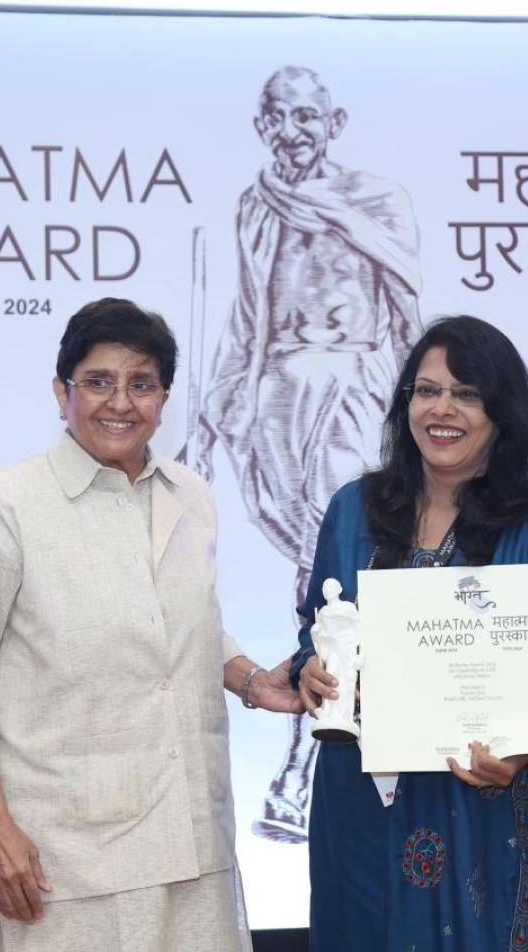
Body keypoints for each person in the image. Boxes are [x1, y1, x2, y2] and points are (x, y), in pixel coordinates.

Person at [0, 298, 301, 952]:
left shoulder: (192, 497)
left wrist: (248, 679)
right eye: (98, 382)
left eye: (142, 384)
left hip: (191, 833)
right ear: (61, 391)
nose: (120, 403)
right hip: (65, 857)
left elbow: (180, 625)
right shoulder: (8, 505)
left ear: (164, 397)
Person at [295, 315, 528, 951]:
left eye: (467, 394)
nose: (442, 409)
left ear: (503, 411)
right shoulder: (352, 514)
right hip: (375, 819)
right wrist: (310, 669)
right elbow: (320, 632)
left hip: (502, 821)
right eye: (426, 390)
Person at [197, 64, 423, 842]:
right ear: (262, 127)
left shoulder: (379, 201)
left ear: (334, 122)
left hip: (354, 394)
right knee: (316, 570)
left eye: (306, 117)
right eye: (277, 119)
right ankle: (325, 753)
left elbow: (404, 321)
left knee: (340, 576)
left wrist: (415, 424)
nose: (292, 132)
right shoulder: (254, 207)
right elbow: (249, 319)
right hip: (279, 404)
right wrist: (214, 410)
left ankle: (310, 764)